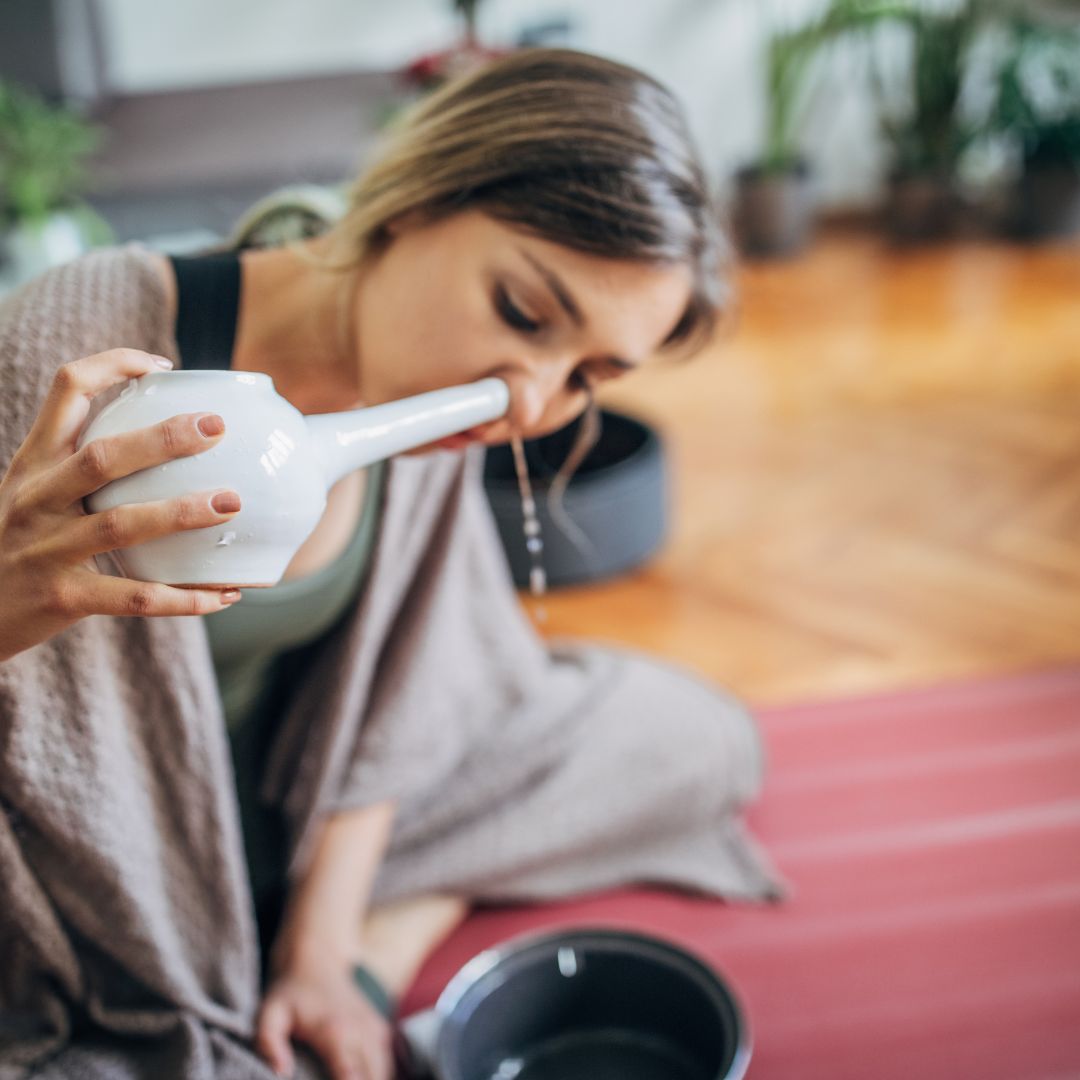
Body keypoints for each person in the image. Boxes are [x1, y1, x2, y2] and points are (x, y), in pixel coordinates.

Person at [0, 49, 779, 1080]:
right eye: (524, 313)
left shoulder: (429, 410)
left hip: (290, 802)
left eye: (588, 373)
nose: (529, 405)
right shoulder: (85, 350)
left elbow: (402, 695)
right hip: (111, 863)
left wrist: (330, 957)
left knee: (696, 738)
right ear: (416, 200)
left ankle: (379, 933)